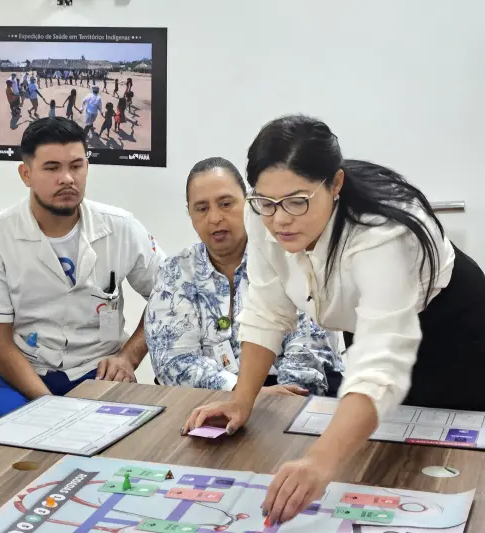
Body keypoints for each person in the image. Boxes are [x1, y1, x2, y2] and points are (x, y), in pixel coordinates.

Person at [183, 114, 485, 524]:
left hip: (452, 330)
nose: (280, 219)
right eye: (266, 203)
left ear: (336, 184)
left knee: (440, 464)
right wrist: (241, 399)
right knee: (378, 455)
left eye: (297, 201)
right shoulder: (265, 212)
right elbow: (269, 309)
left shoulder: (385, 235)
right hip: (368, 326)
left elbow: (380, 363)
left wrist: (319, 463)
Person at [0, 117, 165, 421]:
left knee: (120, 443)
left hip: (97, 370)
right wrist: (51, 406)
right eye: (52, 168)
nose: (67, 178)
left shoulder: (121, 228)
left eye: (76, 166)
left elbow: (170, 295)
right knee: (3, 433)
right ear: (26, 173)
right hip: (22, 372)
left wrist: (128, 356)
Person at [145, 157, 344, 395]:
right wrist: (244, 393)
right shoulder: (174, 273)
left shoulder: (289, 258)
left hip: (290, 395)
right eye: (202, 208)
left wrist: (267, 399)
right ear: (189, 213)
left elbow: (309, 348)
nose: (215, 218)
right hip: (212, 397)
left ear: (249, 203)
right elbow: (172, 361)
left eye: (226, 204)